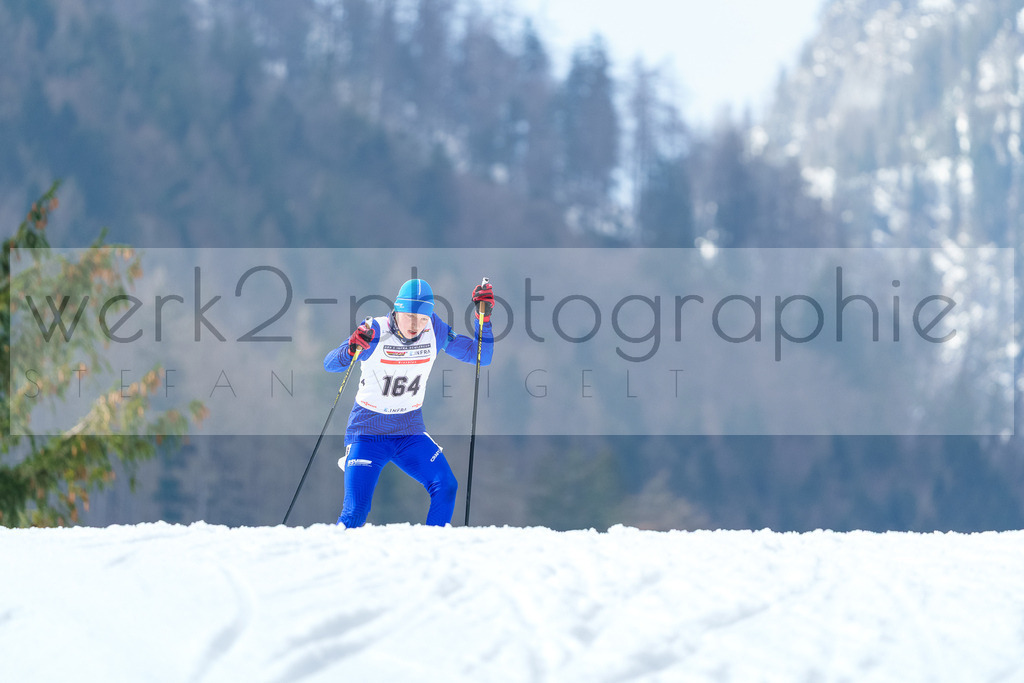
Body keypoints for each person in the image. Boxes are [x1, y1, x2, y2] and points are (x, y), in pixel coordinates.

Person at [323, 278, 494, 528]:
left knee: (446, 486)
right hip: (367, 433)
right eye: (411, 317)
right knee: (355, 512)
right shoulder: (375, 331)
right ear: (397, 310)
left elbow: (480, 356)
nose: (417, 325)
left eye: (423, 318)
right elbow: (329, 364)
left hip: (409, 432)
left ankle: (431, 553)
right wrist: (349, 349)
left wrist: (484, 319)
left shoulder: (434, 329)